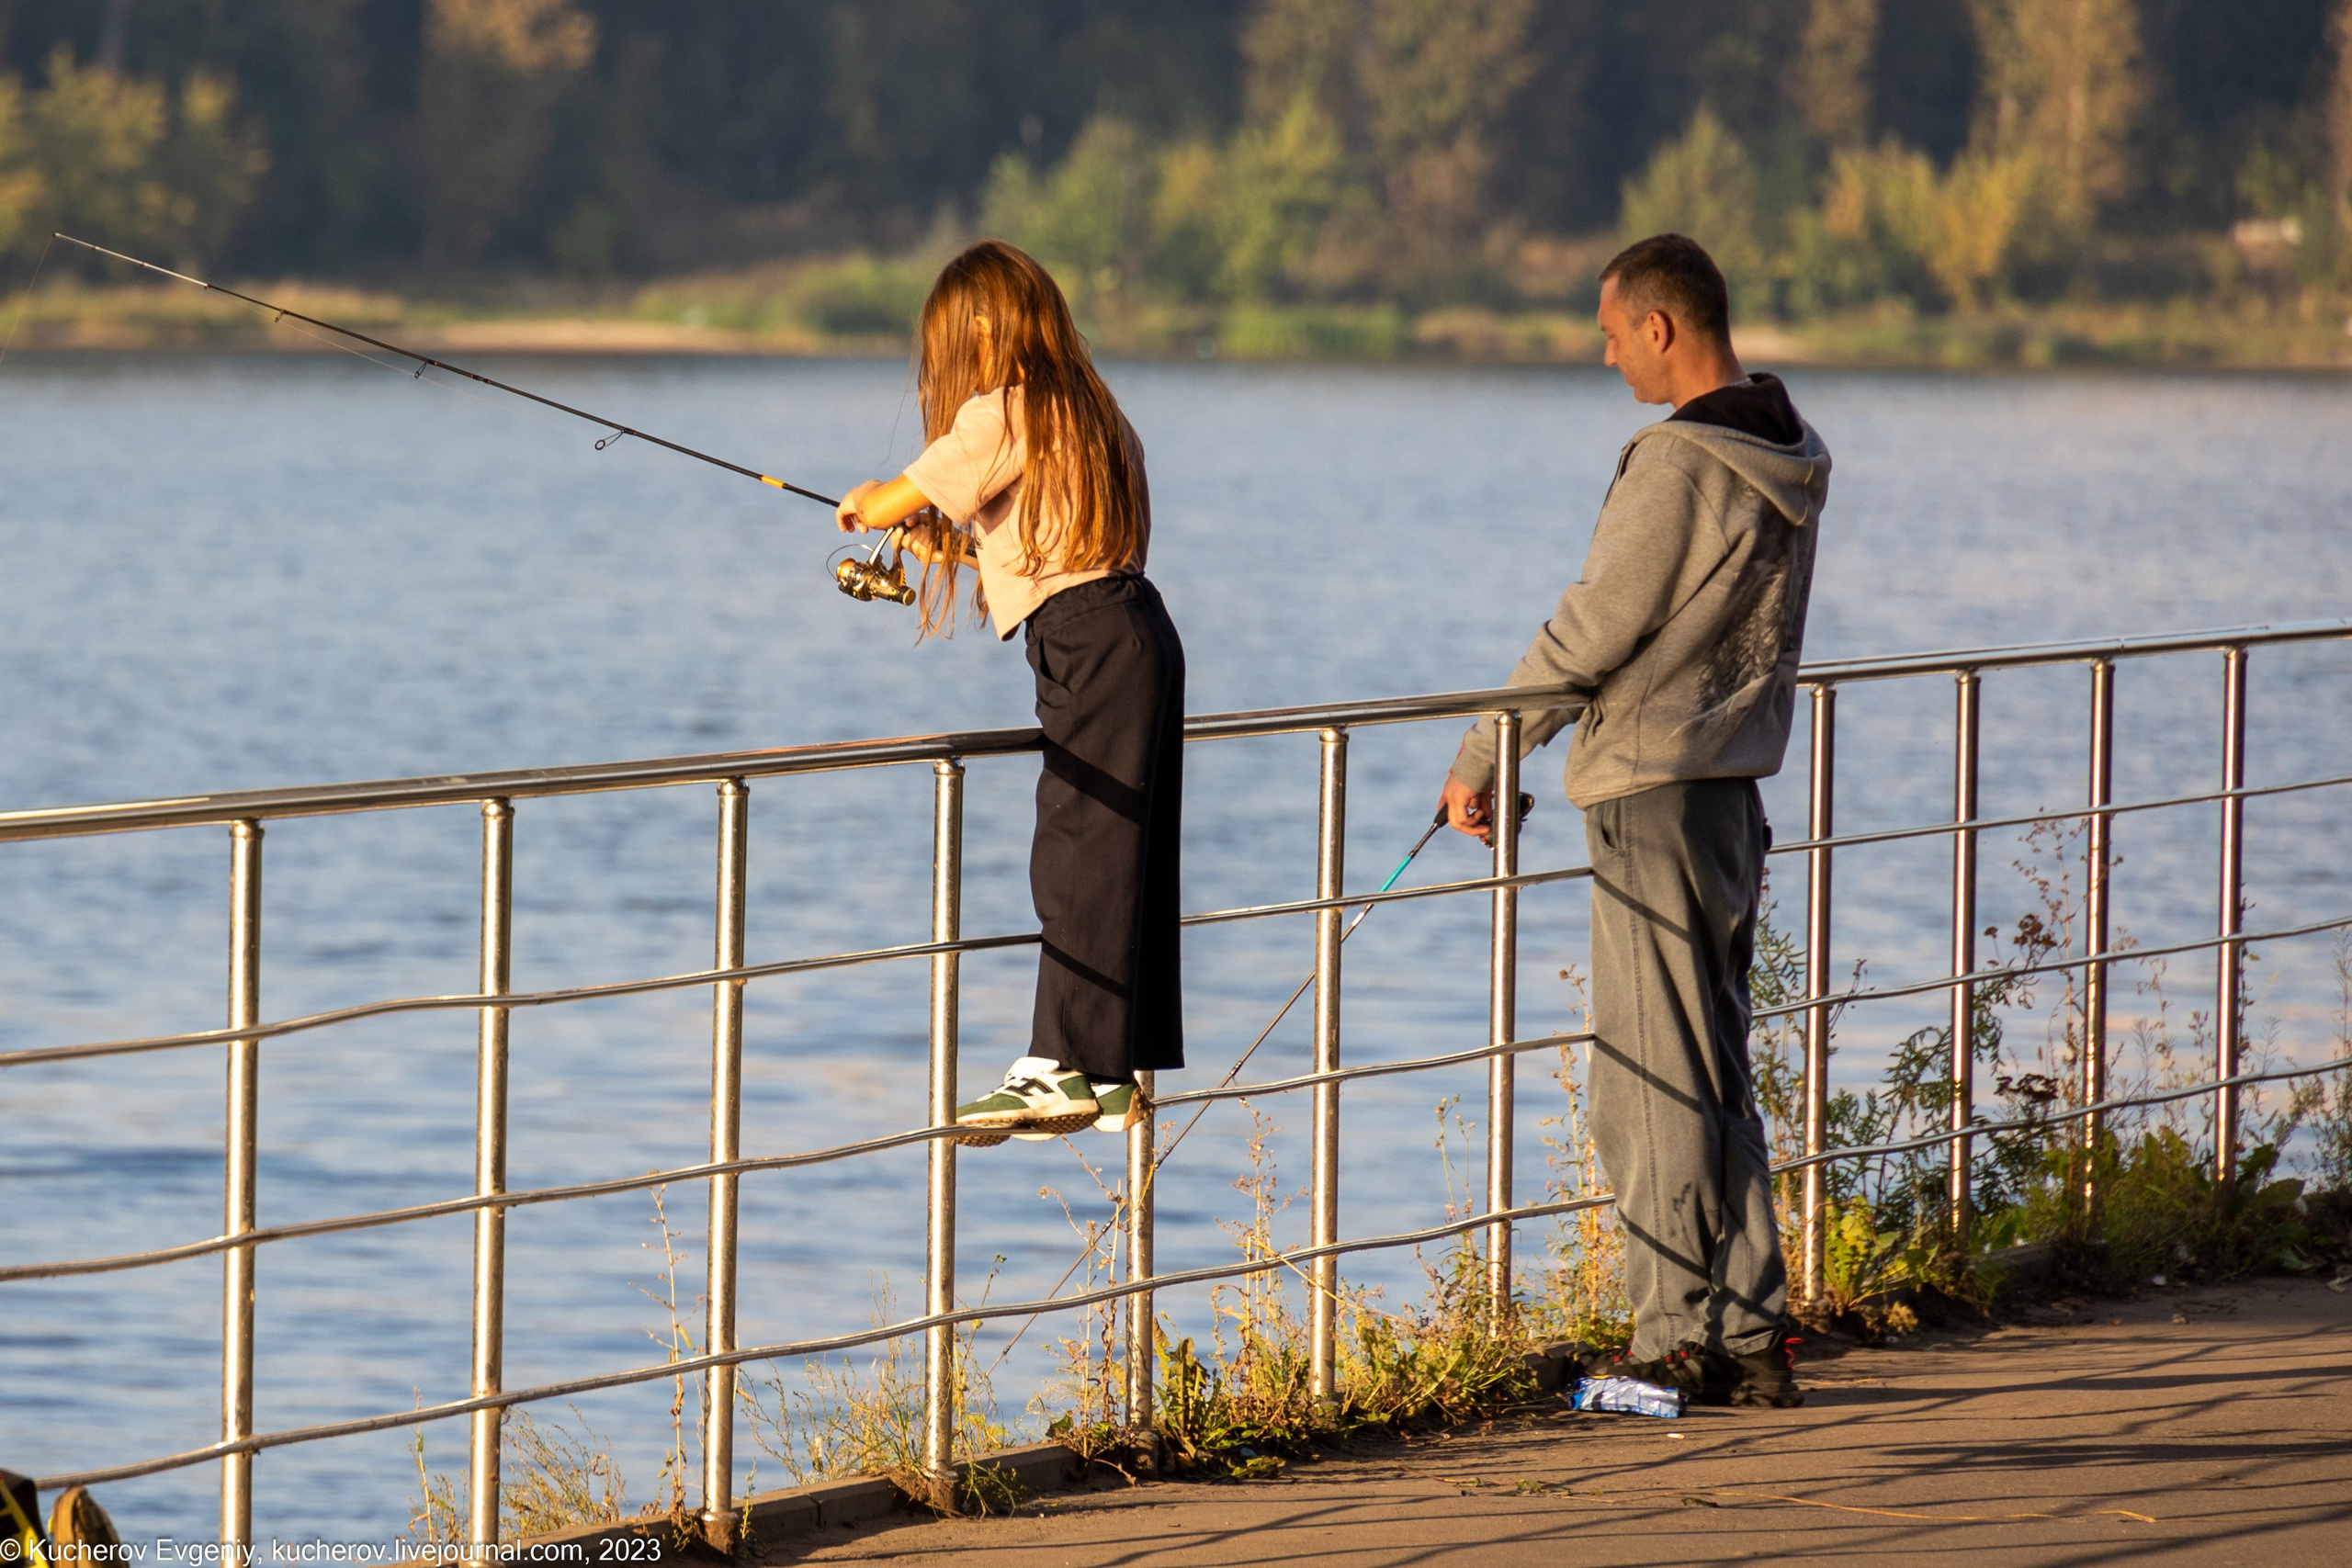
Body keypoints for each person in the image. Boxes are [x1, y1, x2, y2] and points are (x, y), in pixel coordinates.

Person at [1440, 233, 1830, 1407]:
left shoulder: (1678, 463)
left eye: (1612, 334)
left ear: (1661, 327)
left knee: (1647, 1083)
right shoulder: (1790, 448)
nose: (1607, 357)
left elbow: (1592, 626)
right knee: (1713, 1071)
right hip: (1729, 793)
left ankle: (1670, 1346)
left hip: (1651, 796)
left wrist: (1484, 750)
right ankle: (1752, 1334)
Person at [835, 239, 1183, 1145]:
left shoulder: (1001, 412)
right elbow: (1046, 545)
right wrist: (941, 547)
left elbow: (887, 499)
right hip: (1131, 627)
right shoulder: (1089, 412)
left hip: (1090, 641)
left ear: (984, 329)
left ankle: (1057, 1062)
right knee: (1117, 845)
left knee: (1077, 849)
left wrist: (869, 505)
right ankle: (1110, 1064)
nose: (947, 369)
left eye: (953, 343)